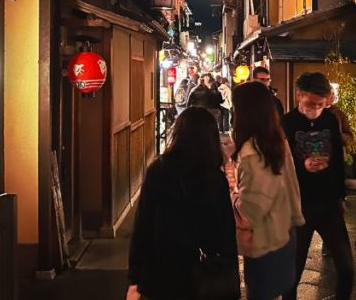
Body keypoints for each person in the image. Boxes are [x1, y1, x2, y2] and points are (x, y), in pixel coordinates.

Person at [129, 107, 240, 299]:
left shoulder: (159, 169)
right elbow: (226, 231)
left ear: (178, 133)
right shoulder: (214, 177)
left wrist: (135, 277)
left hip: (163, 269)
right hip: (204, 270)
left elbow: (143, 225)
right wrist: (230, 272)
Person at [282, 72, 353, 300]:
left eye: (321, 104)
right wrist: (303, 166)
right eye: (311, 103)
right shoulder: (286, 122)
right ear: (299, 95)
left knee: (346, 267)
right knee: (292, 272)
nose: (316, 108)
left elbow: (338, 161)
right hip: (299, 205)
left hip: (329, 203)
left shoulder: (331, 119)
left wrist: (341, 195)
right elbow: (280, 166)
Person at [231, 82, 305, 300]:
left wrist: (233, 197)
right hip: (284, 233)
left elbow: (251, 209)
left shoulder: (253, 152)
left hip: (264, 241)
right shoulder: (277, 142)